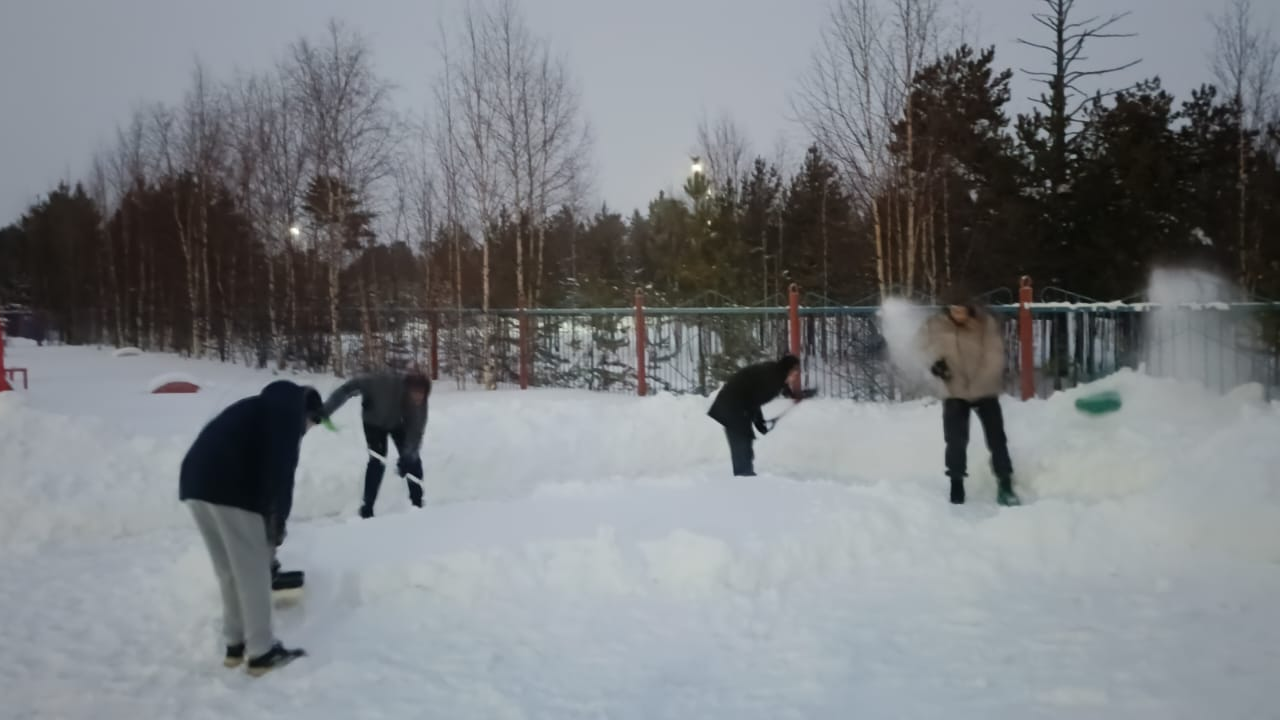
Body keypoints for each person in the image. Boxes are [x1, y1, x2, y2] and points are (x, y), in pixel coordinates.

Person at [178, 380, 329, 676]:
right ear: (307, 412)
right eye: (311, 425)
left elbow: (260, 466)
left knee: (229, 570)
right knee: (253, 572)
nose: (307, 431)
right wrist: (277, 525)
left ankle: (235, 645)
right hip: (229, 487)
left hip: (196, 483)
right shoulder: (287, 417)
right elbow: (280, 475)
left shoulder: (261, 408)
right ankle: (261, 652)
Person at [917, 287, 1021, 506]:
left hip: (985, 389)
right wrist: (935, 365)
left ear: (971, 310)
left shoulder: (985, 324)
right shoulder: (935, 326)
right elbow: (922, 349)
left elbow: (995, 355)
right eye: (954, 311)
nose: (959, 315)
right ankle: (956, 485)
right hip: (954, 391)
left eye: (962, 311)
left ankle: (1005, 483)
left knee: (997, 439)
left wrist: (980, 382)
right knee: (955, 440)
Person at [322, 369, 431, 518]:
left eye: (422, 396)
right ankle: (367, 508)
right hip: (373, 422)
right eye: (415, 395)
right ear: (408, 388)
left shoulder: (420, 404)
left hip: (397, 423)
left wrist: (407, 456)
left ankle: (417, 504)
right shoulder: (381, 383)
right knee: (377, 460)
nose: (418, 400)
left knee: (413, 461)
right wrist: (326, 409)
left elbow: (416, 431)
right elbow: (347, 388)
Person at [707, 354, 815, 476]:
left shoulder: (775, 372)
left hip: (734, 403)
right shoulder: (773, 382)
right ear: (788, 370)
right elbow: (754, 400)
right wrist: (760, 423)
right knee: (742, 442)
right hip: (732, 405)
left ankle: (745, 474)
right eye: (795, 371)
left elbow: (780, 386)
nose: (796, 375)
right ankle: (744, 477)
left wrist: (797, 395)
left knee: (744, 440)